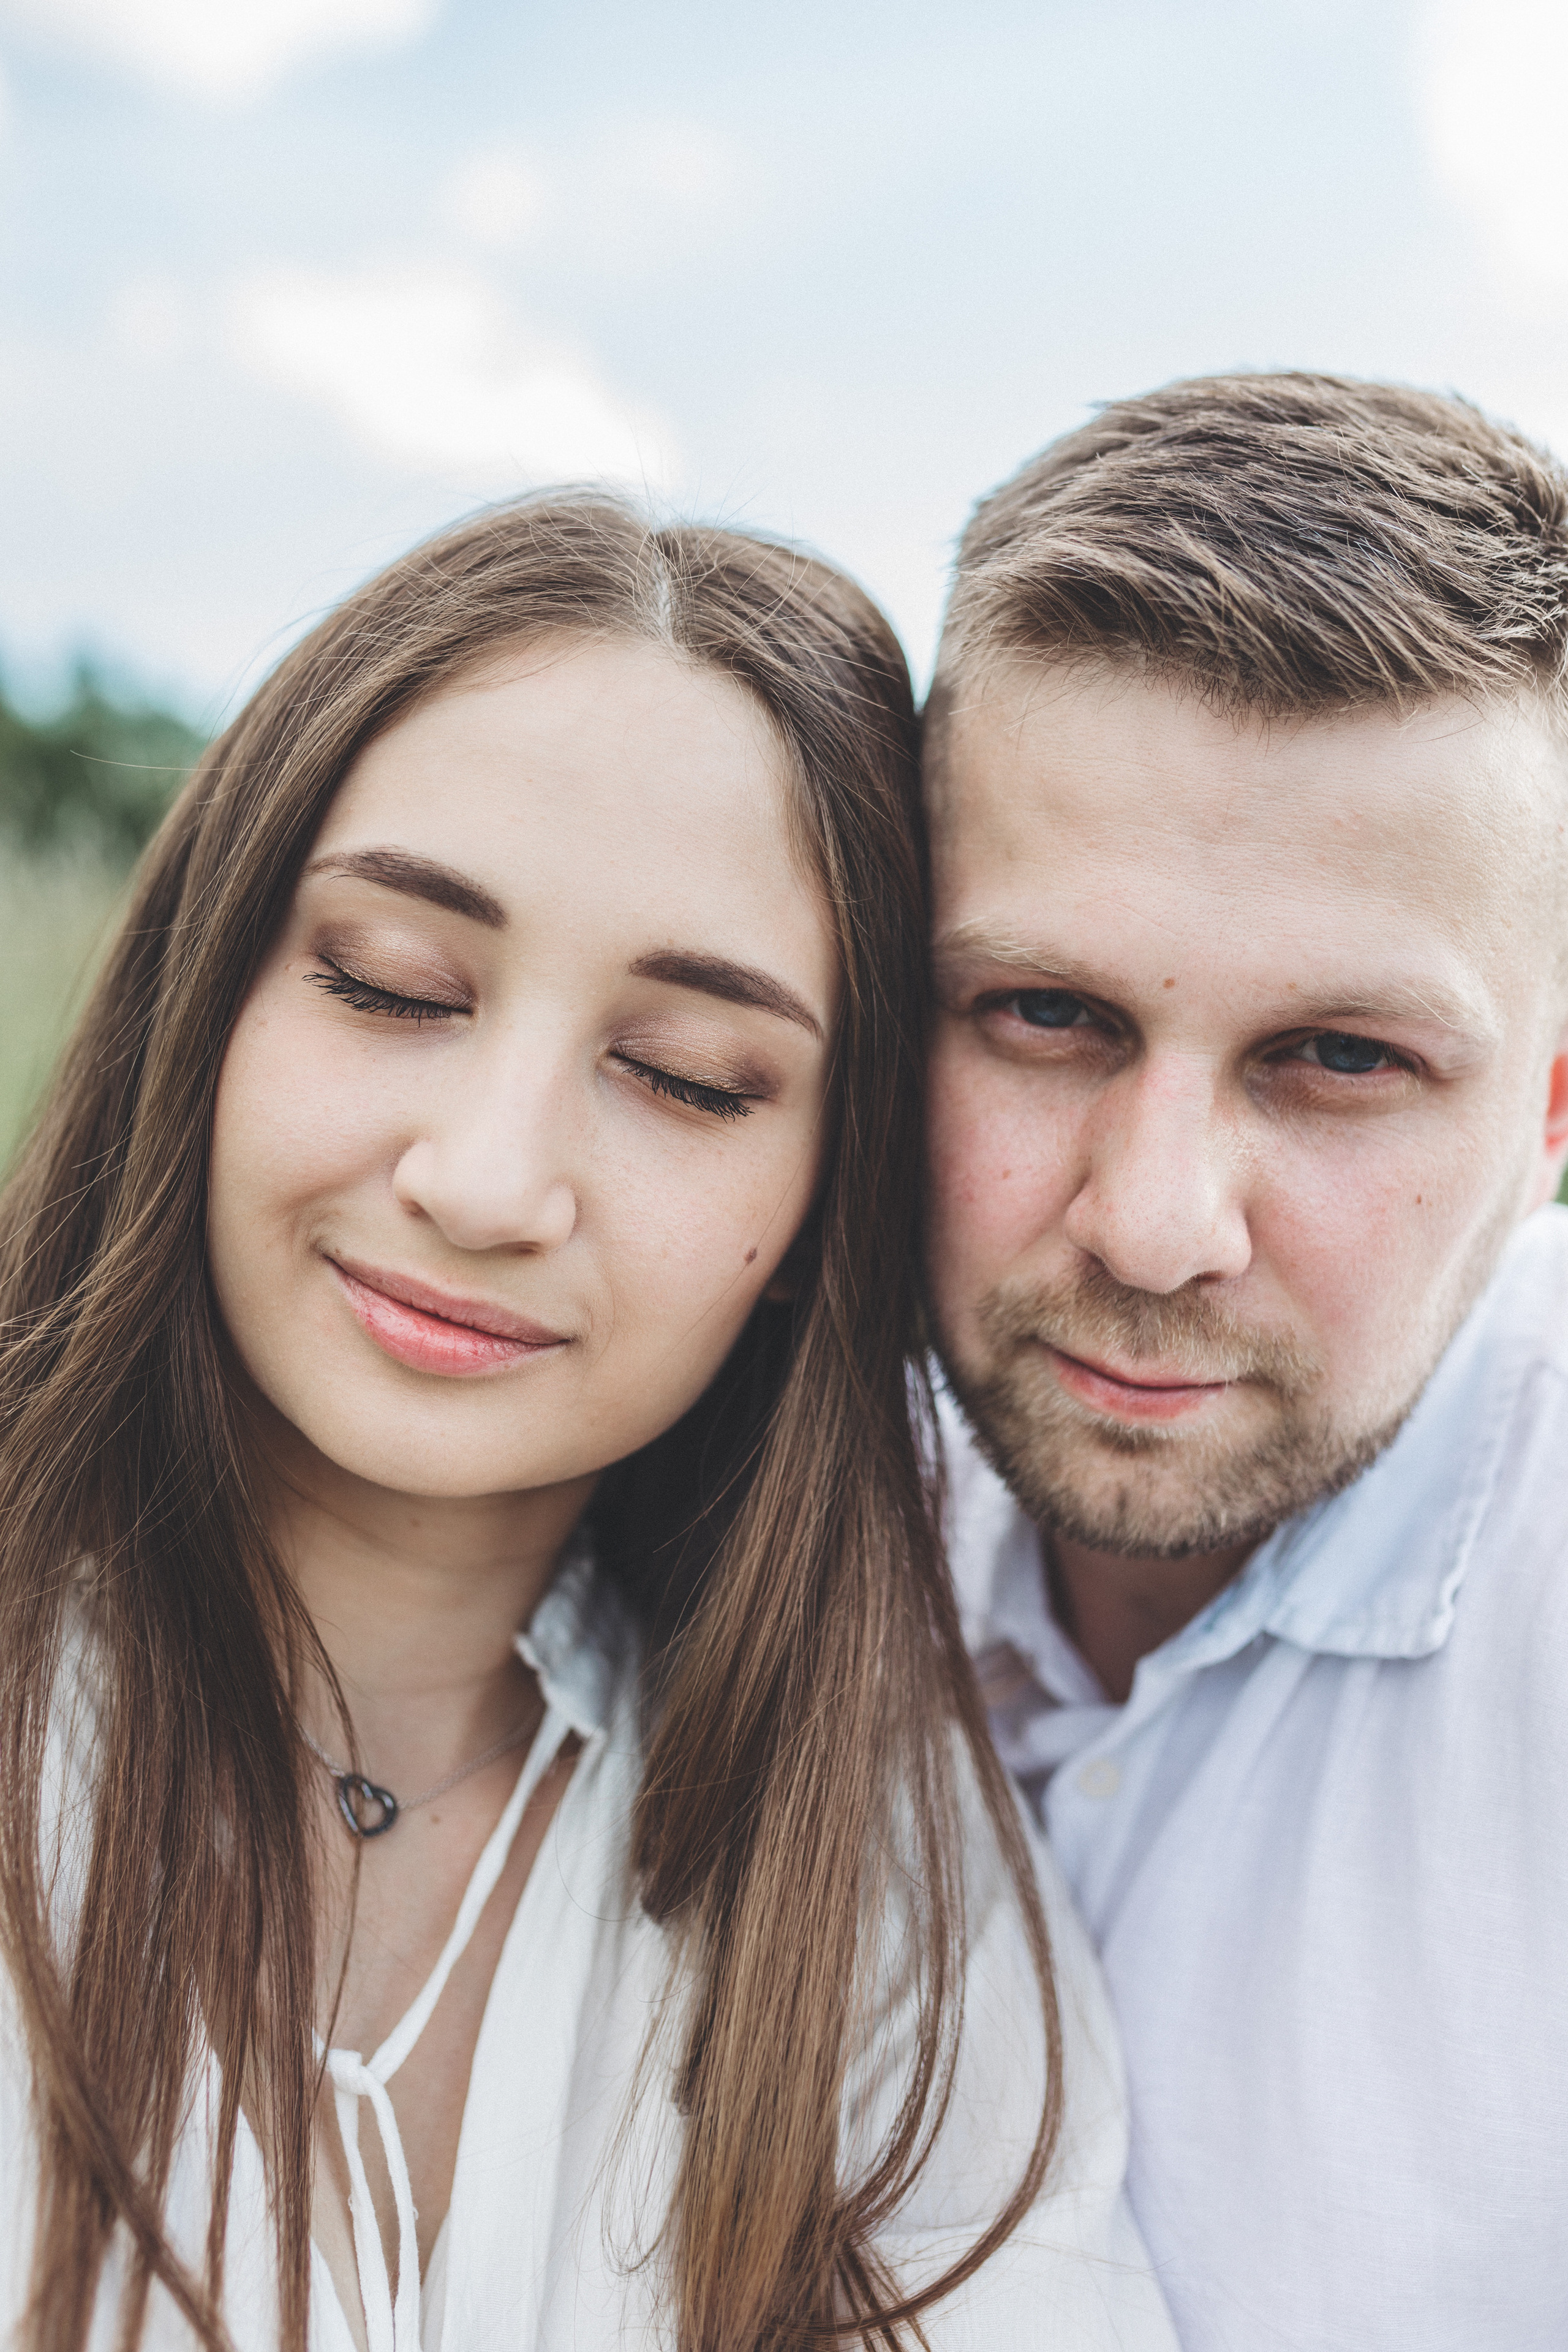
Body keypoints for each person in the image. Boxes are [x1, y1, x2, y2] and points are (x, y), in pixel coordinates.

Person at [0, 497, 1177, 2352]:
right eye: (390, 983)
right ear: (201, 996)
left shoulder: (885, 1885)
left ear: (819, 1210)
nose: (486, 1183)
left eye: (687, 1079)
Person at [921, 374, 1568, 2352]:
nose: (1154, 1220)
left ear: (1552, 1116)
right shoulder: (687, 1474)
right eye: (1045, 1012)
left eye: (1345, 1059)